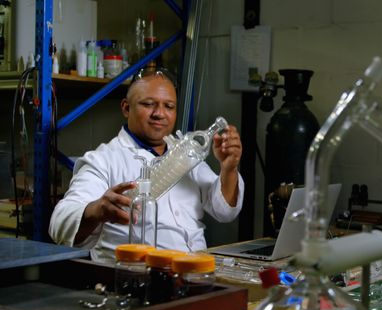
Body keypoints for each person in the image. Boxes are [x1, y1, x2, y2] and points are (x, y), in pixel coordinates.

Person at [49, 67, 244, 263]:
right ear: (126, 108)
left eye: (169, 106)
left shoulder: (186, 155)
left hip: (195, 272)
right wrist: (97, 210)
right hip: (133, 275)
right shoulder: (104, 159)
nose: (160, 114)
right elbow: (59, 224)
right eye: (149, 104)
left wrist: (229, 168)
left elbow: (224, 211)